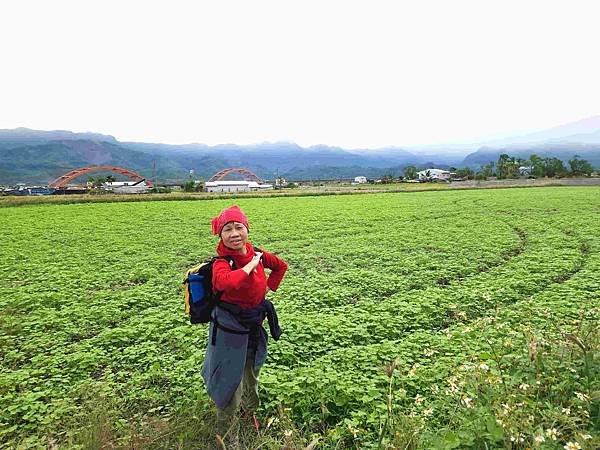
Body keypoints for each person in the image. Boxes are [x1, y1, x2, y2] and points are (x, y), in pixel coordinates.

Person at [201, 205, 288, 447]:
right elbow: (226, 282)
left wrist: (268, 288)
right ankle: (229, 434)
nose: (234, 233)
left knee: (252, 373)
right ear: (220, 235)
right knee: (230, 380)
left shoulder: (256, 252)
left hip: (252, 325)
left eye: (239, 227)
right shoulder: (222, 262)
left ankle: (248, 413)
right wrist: (250, 266)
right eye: (227, 229)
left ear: (247, 229)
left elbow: (281, 266)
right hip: (229, 331)